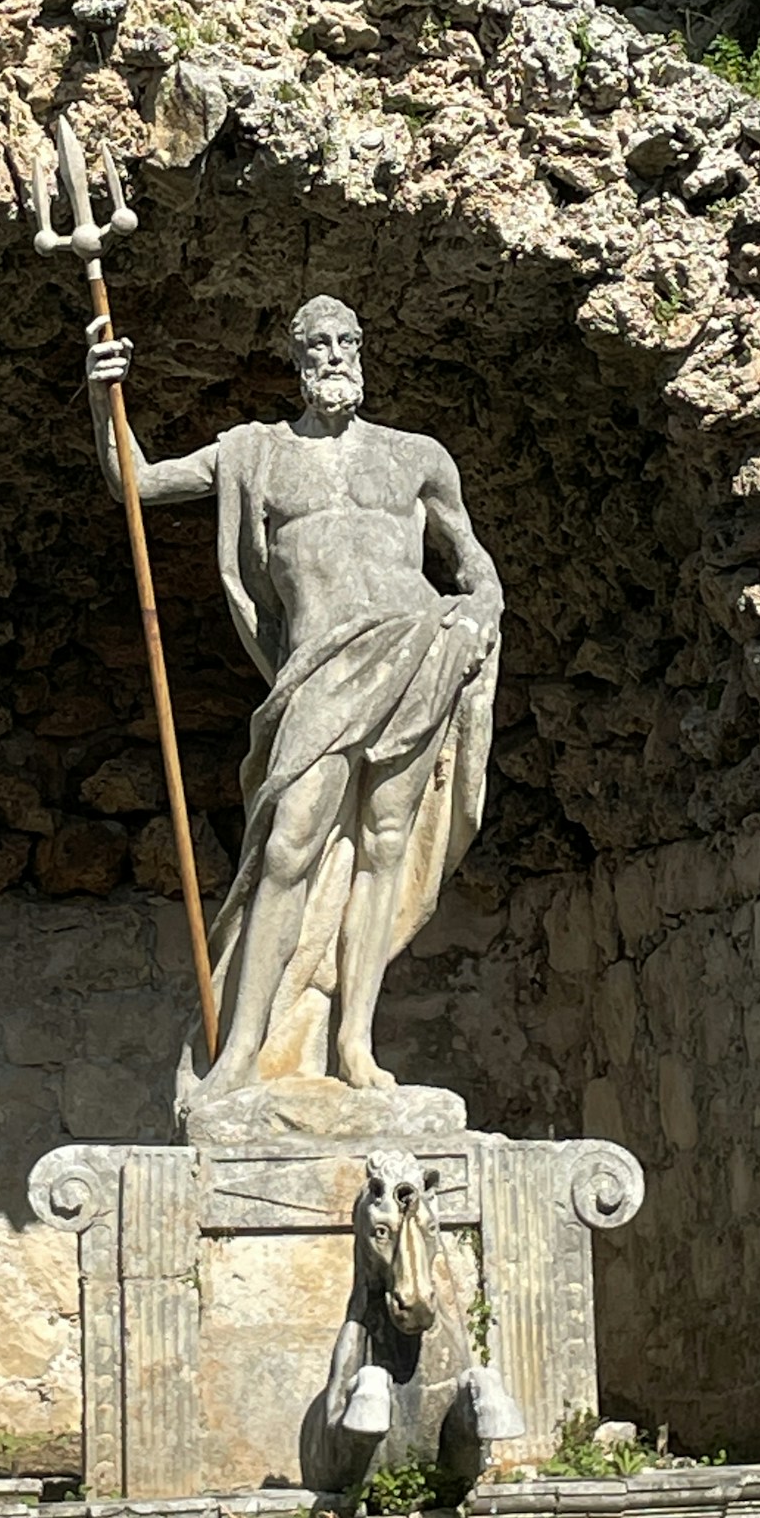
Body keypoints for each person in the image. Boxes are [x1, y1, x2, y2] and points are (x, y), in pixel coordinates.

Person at [86, 296, 502, 1106]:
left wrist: (478, 614)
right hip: (318, 669)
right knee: (289, 843)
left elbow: (474, 565)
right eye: (318, 345)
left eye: (348, 341)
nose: (335, 355)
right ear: (297, 362)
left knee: (386, 841)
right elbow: (135, 481)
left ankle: (355, 1045)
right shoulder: (256, 454)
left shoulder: (418, 457)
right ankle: (242, 1052)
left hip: (415, 651)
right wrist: (106, 398)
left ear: (364, 351)